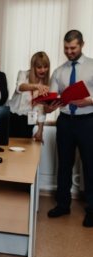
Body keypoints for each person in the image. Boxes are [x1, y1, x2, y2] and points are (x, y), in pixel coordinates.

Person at [46, 30, 93, 227]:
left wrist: (89, 101)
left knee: (90, 166)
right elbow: (51, 97)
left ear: (82, 44)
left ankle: (92, 209)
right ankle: (63, 205)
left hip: (87, 121)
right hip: (65, 121)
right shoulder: (59, 71)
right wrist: (49, 105)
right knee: (64, 164)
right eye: (66, 48)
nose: (69, 51)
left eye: (72, 48)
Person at [8, 51, 51, 143]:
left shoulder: (45, 84)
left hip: (27, 121)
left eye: (45, 67)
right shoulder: (23, 74)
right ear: (33, 67)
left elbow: (41, 109)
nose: (43, 70)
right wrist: (36, 86)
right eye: (39, 67)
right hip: (12, 117)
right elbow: (19, 87)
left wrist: (40, 130)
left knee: (25, 152)